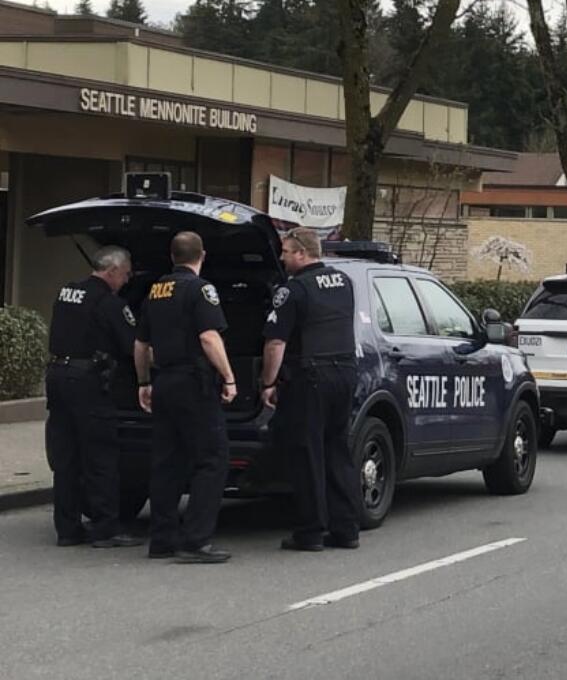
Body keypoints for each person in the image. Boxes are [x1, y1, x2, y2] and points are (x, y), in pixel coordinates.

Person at [135, 231, 237, 564]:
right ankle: (196, 541)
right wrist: (229, 377)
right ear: (201, 255)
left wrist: (144, 382)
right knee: (212, 459)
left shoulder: (155, 290)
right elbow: (209, 337)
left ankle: (162, 539)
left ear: (171, 255)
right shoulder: (200, 289)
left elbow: (141, 345)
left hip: (164, 382)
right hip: (194, 384)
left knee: (166, 462)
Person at [260, 228, 362, 552]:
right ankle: (346, 529)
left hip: (311, 379)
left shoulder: (293, 290)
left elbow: (276, 342)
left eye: (287, 252)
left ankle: (310, 531)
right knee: (337, 451)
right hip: (345, 374)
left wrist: (268, 383)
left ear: (302, 253)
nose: (282, 258)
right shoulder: (344, 283)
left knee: (307, 455)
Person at [44, 246, 143, 548]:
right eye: (125, 275)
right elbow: (132, 345)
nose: (126, 281)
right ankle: (105, 529)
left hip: (57, 378)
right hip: (87, 385)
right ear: (112, 271)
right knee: (101, 457)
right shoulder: (109, 303)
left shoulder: (67, 292)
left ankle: (67, 529)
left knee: (66, 458)